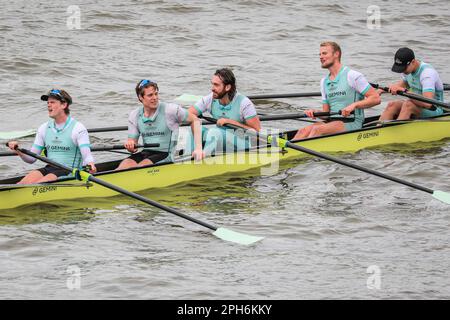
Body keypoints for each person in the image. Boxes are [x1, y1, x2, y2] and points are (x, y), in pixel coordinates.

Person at [293, 42, 381, 140]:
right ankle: (279, 153)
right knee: (303, 131)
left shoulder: (352, 76)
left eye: (324, 53)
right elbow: (326, 114)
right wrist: (315, 112)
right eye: (320, 54)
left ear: (336, 54)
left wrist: (354, 105)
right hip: (332, 122)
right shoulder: (324, 82)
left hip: (351, 122)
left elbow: (376, 98)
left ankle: (300, 153)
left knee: (317, 130)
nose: (321, 57)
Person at [7, 89, 96, 184]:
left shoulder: (78, 128)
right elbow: (31, 159)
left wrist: (90, 164)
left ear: (64, 105)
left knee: (41, 182)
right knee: (23, 182)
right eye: (48, 102)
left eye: (52, 102)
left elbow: (87, 156)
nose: (49, 105)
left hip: (71, 171)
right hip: (49, 168)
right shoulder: (43, 128)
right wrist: (18, 150)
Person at [116, 79, 204, 170]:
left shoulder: (171, 110)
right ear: (140, 97)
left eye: (156, 94)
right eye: (150, 95)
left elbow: (195, 120)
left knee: (142, 166)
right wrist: (130, 146)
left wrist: (198, 149)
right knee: (125, 164)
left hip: (168, 154)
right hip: (146, 152)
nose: (155, 98)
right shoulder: (134, 115)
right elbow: (133, 145)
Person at [187, 68, 261, 154]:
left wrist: (229, 122)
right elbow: (188, 113)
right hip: (221, 138)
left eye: (216, 85)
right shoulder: (210, 99)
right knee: (195, 130)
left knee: (214, 132)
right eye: (212, 84)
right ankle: (188, 156)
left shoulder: (244, 103)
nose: (212, 88)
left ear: (227, 87)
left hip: (243, 143)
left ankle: (203, 159)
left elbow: (256, 132)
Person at [379, 47, 445, 121]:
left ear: (413, 62)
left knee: (408, 105)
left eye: (404, 68)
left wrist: (403, 90)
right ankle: (379, 130)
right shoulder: (408, 71)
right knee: (392, 105)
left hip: (434, 110)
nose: (402, 71)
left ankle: (400, 130)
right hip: (416, 105)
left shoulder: (427, 74)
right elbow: (402, 85)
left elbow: (428, 103)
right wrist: (381, 90)